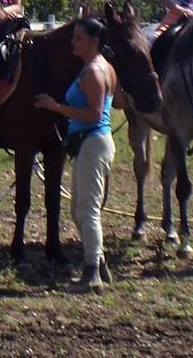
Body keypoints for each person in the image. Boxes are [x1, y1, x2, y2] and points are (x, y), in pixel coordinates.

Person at [33, 17, 120, 294]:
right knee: (78, 210)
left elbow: (95, 114)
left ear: (94, 42)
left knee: (88, 211)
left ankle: (91, 273)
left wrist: (56, 107)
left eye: (79, 38)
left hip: (93, 142)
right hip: (90, 143)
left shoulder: (94, 71)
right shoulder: (100, 68)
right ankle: (99, 263)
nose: (73, 41)